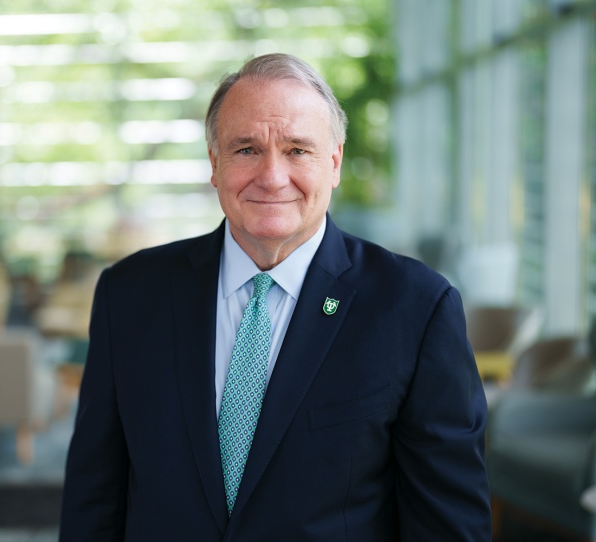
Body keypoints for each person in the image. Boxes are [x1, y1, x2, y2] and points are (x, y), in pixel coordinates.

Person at [59, 53, 492, 541]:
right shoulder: (130, 295)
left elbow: (448, 528)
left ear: (334, 163)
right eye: (246, 149)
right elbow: (93, 500)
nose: (271, 176)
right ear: (214, 164)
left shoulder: (415, 308)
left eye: (297, 150)